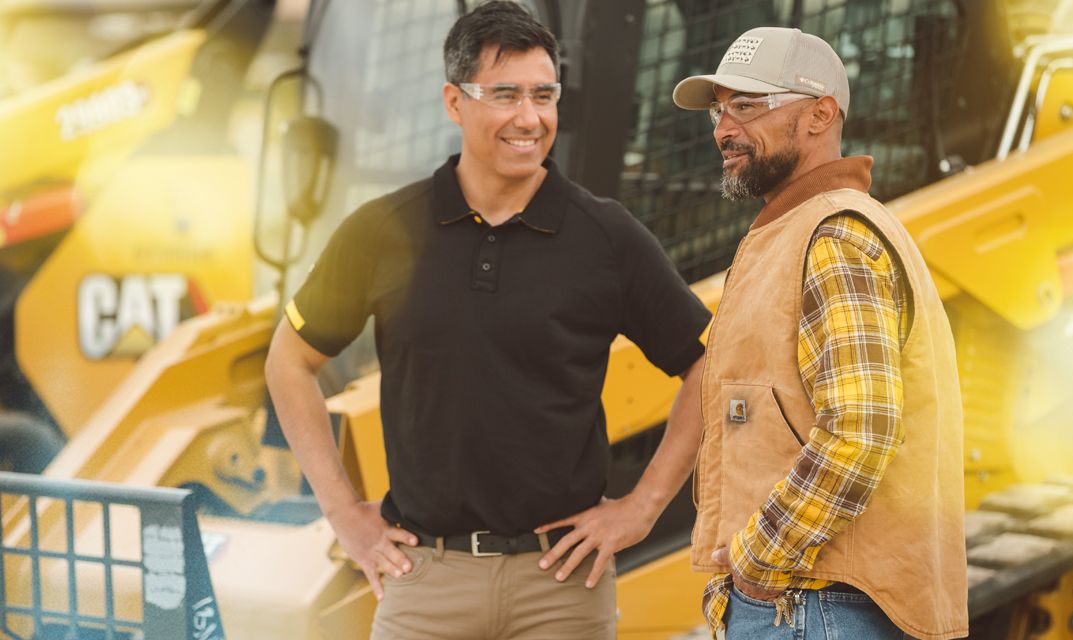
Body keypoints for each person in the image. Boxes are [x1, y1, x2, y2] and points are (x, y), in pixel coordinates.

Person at [265, 2, 711, 639]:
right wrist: (342, 514)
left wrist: (643, 507)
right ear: (455, 102)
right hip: (425, 581)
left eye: (544, 95)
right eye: (505, 95)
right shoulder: (382, 231)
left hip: (560, 586)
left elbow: (707, 361)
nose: (529, 119)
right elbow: (289, 360)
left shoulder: (606, 235)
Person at [672, 27, 968, 640]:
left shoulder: (834, 237)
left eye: (748, 106)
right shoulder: (799, 230)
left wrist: (759, 553)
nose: (724, 129)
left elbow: (863, 428)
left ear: (820, 115)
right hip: (809, 604)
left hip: (815, 604)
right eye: (718, 109)